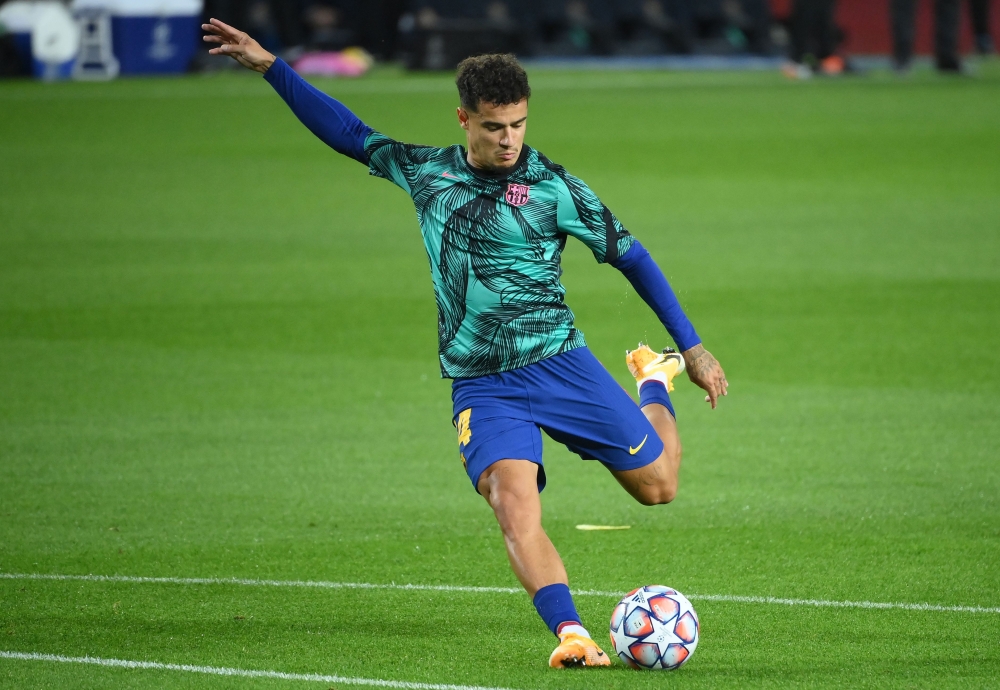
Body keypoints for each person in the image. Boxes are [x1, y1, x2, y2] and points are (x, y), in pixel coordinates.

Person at [202, 17, 728, 668]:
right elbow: (350, 134)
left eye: (518, 125)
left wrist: (693, 348)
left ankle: (653, 378)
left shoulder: (553, 188)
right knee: (513, 506)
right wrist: (271, 67)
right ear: (464, 119)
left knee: (659, 487)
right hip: (485, 383)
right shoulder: (427, 175)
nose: (509, 140)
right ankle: (572, 635)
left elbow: (634, 257)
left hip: (561, 364)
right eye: (493, 127)